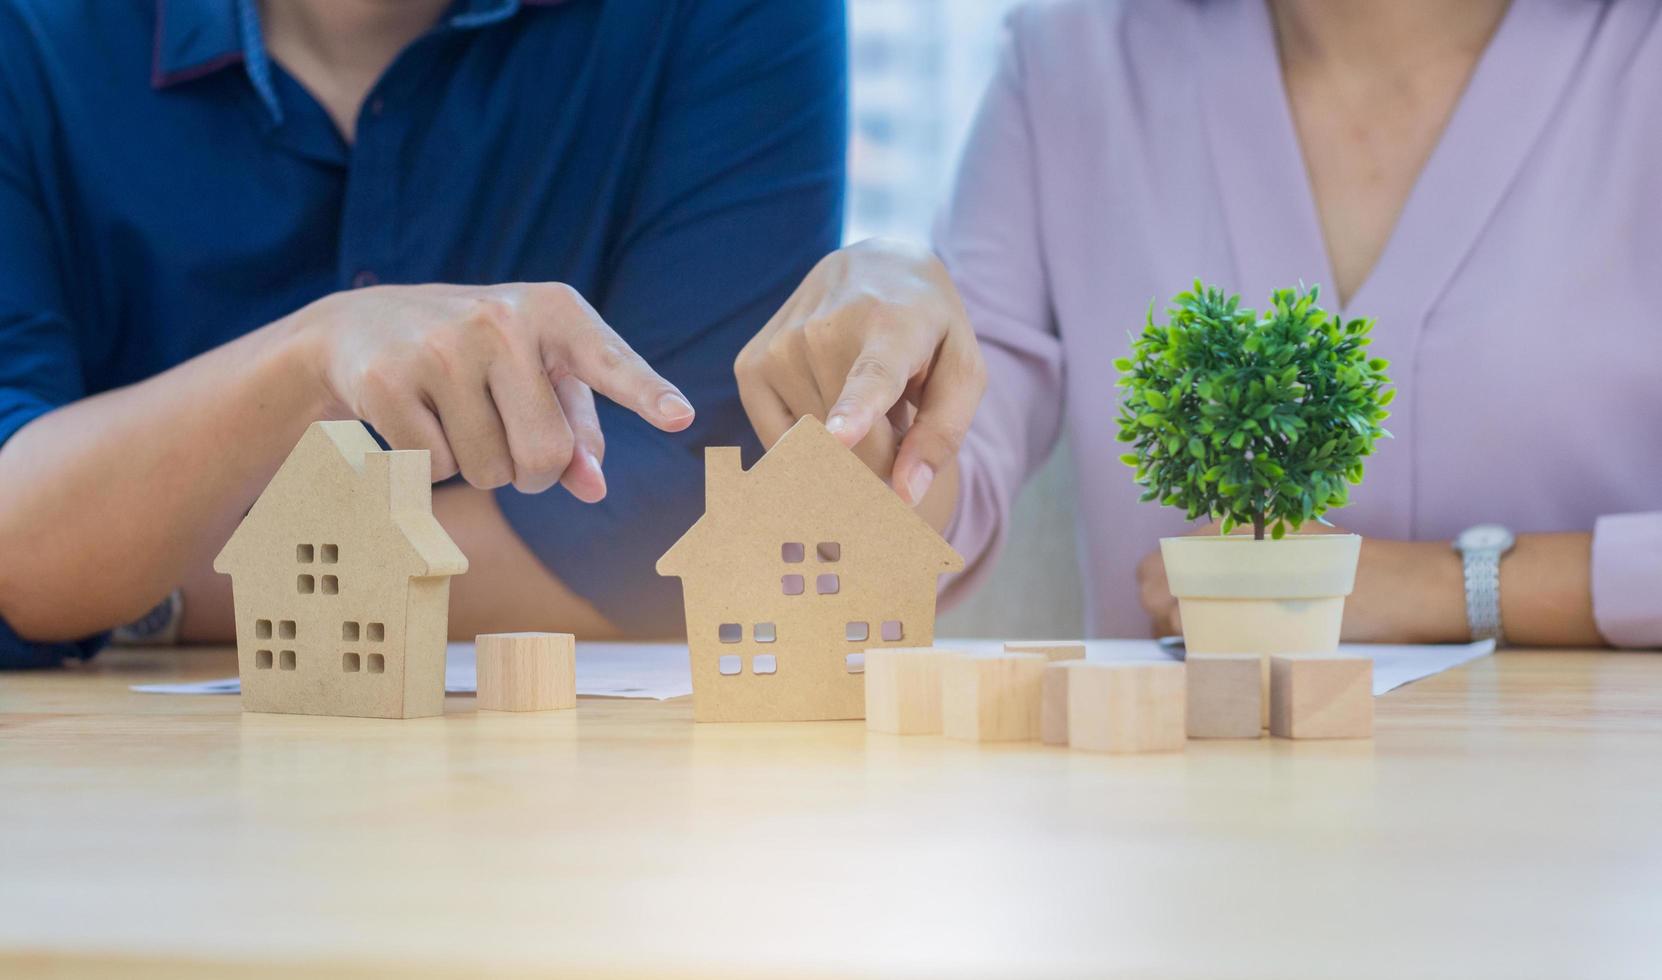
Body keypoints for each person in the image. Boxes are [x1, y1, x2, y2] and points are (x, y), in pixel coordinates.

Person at [737, 0, 1662, 648]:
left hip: (1588, 821)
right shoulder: (1066, 65)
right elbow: (941, 494)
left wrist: (1450, 589)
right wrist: (877, 392)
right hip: (1183, 838)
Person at [0, 0, 846, 667]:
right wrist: (311, 358)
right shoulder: (30, 39)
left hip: (582, 803)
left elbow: (709, 517)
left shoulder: (728, 16)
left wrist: (132, 581)